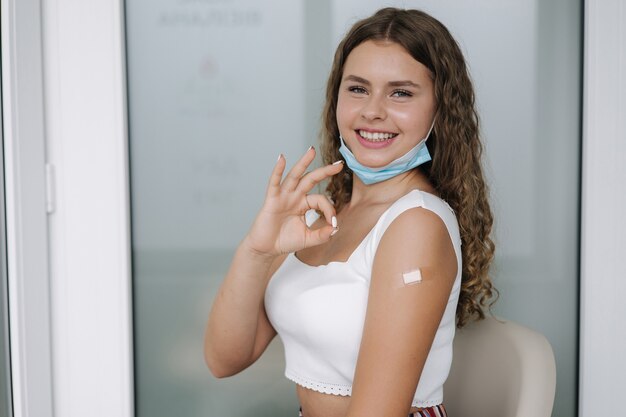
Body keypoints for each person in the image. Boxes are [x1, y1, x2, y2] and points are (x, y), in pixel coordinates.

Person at [204, 7, 496, 417]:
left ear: (439, 111)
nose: (372, 110)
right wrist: (257, 249)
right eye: (358, 89)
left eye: (401, 93)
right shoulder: (325, 212)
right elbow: (225, 359)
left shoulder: (416, 224)